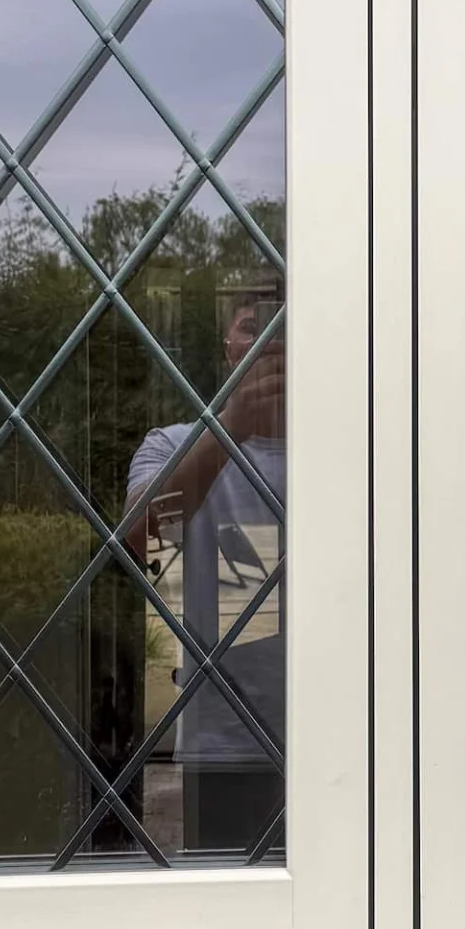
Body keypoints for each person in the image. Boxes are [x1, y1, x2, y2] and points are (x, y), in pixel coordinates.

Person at [125, 288, 285, 856]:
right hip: (225, 744)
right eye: (251, 325)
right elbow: (139, 541)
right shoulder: (172, 444)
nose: (268, 338)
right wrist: (232, 429)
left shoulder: (360, 453)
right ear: (227, 347)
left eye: (284, 323)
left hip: (348, 736)